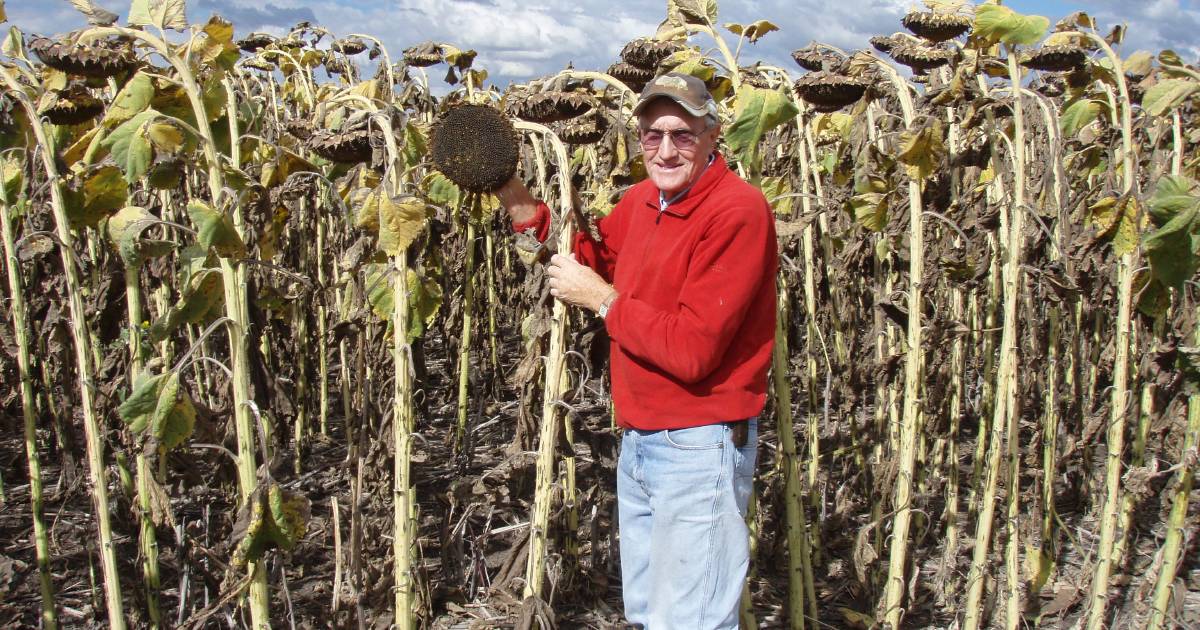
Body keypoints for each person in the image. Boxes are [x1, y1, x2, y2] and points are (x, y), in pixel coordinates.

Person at [495, 72, 778, 629]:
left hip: (701, 444)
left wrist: (601, 300)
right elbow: (585, 258)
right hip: (643, 441)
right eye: (652, 135)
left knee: (689, 620)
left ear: (713, 135)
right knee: (651, 614)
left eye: (683, 134)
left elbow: (693, 349)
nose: (666, 149)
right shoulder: (645, 201)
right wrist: (514, 196)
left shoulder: (736, 212)